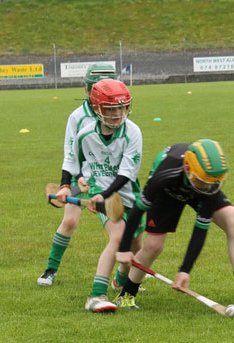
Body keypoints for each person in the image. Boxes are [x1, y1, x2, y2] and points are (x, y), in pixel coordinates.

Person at [115, 139, 234, 310]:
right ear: (188, 170)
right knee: (153, 246)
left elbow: (200, 230)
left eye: (212, 182)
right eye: (204, 182)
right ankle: (126, 295)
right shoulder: (164, 175)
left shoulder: (208, 184)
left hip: (193, 184)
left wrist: (185, 270)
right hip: (168, 193)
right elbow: (137, 211)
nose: (208, 188)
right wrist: (124, 247)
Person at [54, 79, 144, 313]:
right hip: (101, 192)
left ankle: (120, 280)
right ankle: (96, 295)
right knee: (118, 236)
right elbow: (73, 162)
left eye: (121, 108)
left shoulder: (132, 132)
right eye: (110, 109)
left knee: (134, 246)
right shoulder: (85, 135)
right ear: (97, 109)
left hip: (128, 194)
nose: (117, 115)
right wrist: (68, 184)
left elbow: (126, 173)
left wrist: (103, 192)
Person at [37, 63, 119, 287]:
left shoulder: (117, 115)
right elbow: (70, 152)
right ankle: (50, 269)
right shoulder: (77, 117)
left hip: (106, 179)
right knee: (70, 221)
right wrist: (67, 184)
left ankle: (125, 278)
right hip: (79, 177)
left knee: (118, 229)